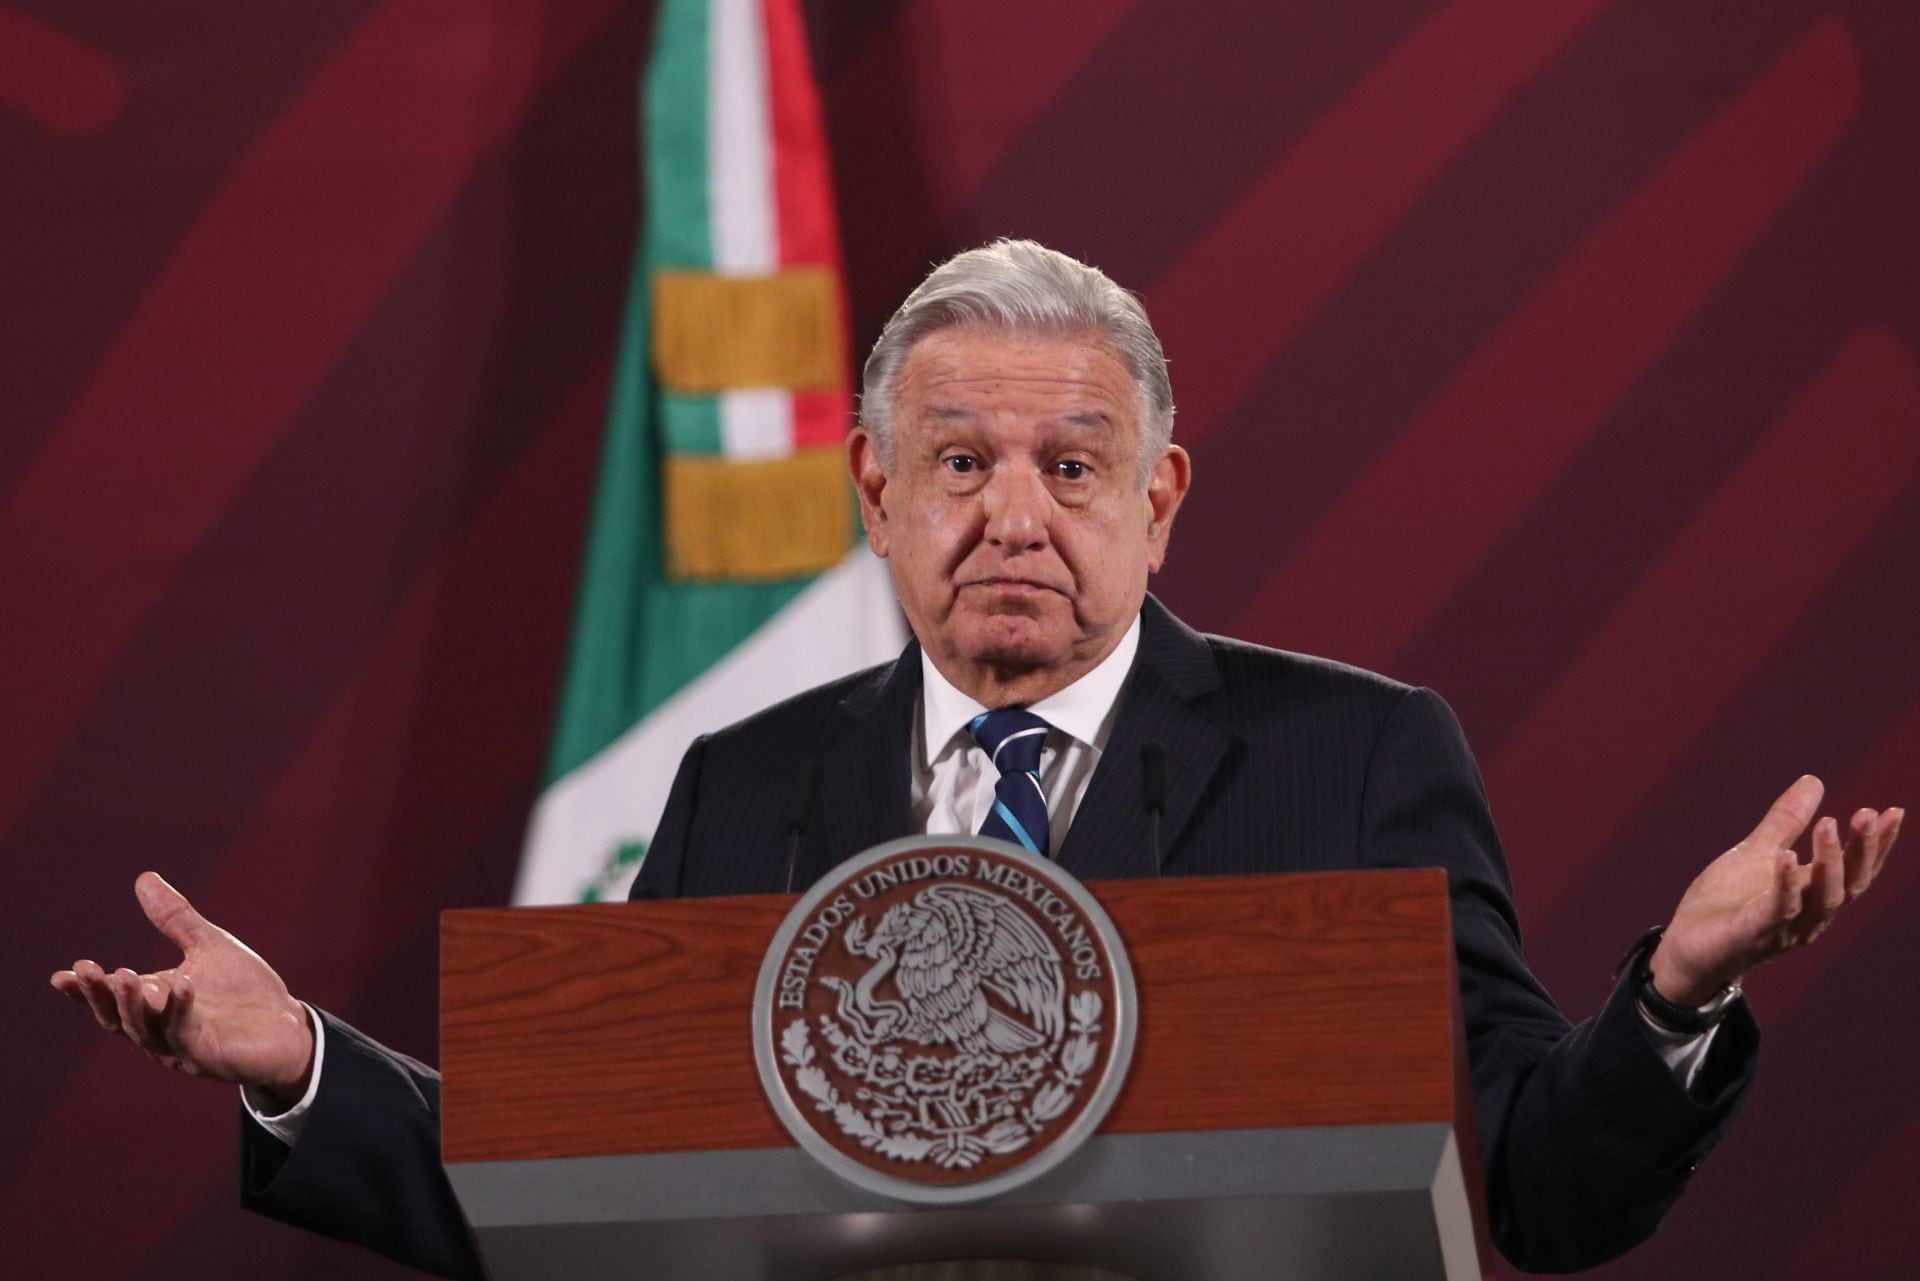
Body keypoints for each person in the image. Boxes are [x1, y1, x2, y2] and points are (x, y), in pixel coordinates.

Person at [54, 240, 1902, 1277]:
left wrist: (1674, 989)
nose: (1014, 515)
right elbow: (575, 1185)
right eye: (958, 462)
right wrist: (300, 1062)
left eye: (1073, 465)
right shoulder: (743, 784)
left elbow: (1546, 1192)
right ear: (875, 491)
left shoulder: (1357, 757)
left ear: (1160, 501)